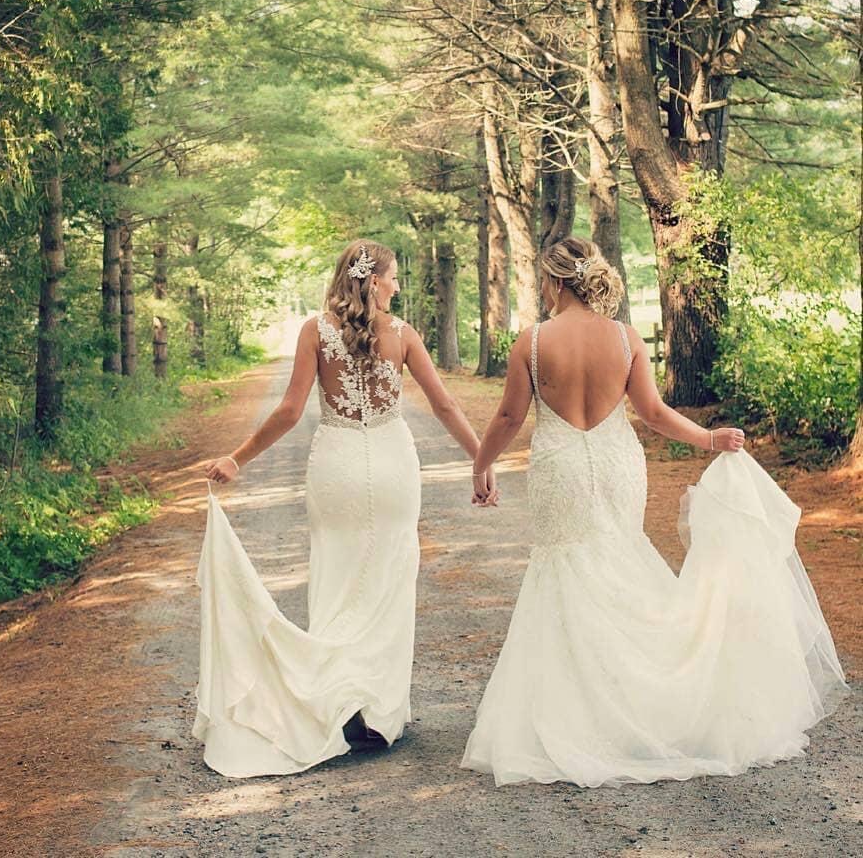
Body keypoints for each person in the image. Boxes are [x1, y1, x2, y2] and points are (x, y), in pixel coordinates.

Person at [461, 235, 848, 787]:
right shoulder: (624, 337)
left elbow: (506, 417)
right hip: (618, 462)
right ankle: (649, 703)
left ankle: (582, 717)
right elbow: (654, 413)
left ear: (552, 281)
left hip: (561, 466)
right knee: (619, 560)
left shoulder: (534, 340)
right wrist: (710, 440)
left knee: (565, 566)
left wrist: (482, 466)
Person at [195, 238, 491, 778]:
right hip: (393, 464)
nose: (398, 285)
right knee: (389, 580)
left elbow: (289, 411)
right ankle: (377, 714)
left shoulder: (315, 330)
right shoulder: (401, 335)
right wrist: (481, 461)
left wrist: (238, 460)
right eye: (394, 276)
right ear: (372, 281)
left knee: (336, 579)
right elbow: (444, 404)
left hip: (336, 466)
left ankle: (332, 701)